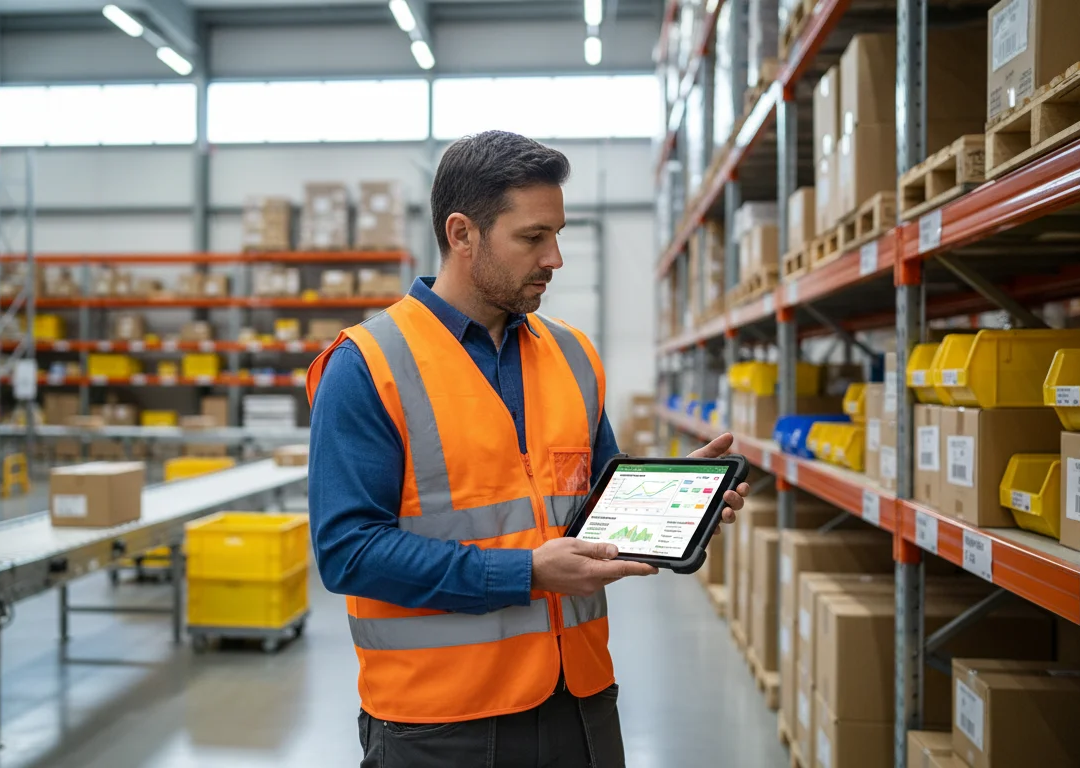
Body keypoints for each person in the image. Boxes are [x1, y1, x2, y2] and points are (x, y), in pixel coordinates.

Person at [305, 130, 749, 768]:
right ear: (462, 234)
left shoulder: (571, 353)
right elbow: (348, 552)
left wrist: (671, 503)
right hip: (440, 722)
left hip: (581, 701)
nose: (555, 258)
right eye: (533, 237)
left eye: (557, 234)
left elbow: (594, 506)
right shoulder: (368, 365)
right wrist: (526, 574)